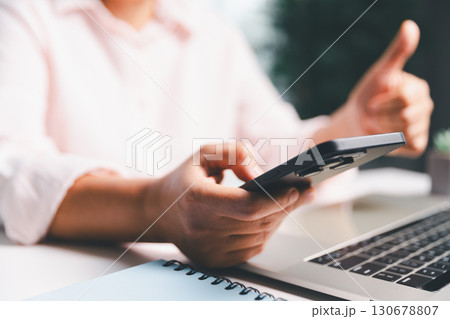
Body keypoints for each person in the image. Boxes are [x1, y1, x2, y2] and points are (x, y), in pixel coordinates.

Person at [0, 0, 433, 268]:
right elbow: (12, 169)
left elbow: (278, 148)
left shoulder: (213, 32)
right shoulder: (22, 13)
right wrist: (158, 207)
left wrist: (358, 122)